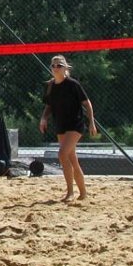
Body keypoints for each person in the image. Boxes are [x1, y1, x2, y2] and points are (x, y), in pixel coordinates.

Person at [39, 55, 95, 202]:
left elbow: (87, 103)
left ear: (65, 68)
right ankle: (83, 193)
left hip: (75, 124)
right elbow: (49, 105)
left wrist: (92, 123)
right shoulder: (51, 86)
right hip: (61, 124)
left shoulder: (73, 84)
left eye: (59, 65)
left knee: (62, 154)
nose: (56, 68)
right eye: (53, 66)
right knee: (72, 158)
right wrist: (44, 118)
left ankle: (70, 192)